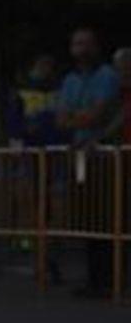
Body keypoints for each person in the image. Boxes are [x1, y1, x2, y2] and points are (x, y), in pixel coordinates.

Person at [56, 26, 120, 298]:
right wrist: (80, 117)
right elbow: (61, 119)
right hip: (79, 154)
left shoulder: (107, 75)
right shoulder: (70, 79)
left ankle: (109, 278)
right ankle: (92, 279)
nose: (81, 49)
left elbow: (100, 115)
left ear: (96, 46)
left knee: (106, 215)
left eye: (86, 44)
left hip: (103, 154)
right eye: (76, 44)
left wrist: (78, 116)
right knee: (85, 214)